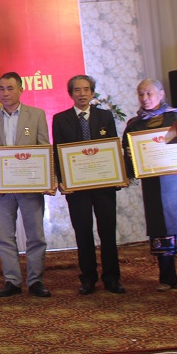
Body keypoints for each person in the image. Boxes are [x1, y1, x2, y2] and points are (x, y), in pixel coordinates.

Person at [122, 78, 177, 291]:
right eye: (141, 94)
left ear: (161, 94)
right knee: (160, 228)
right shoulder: (134, 124)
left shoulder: (176, 117)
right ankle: (167, 278)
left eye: (149, 93)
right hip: (153, 185)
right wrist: (131, 157)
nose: (145, 98)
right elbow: (129, 159)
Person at [52, 74, 125, 295]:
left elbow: (113, 147)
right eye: (77, 90)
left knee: (107, 232)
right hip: (76, 188)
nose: (82, 94)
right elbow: (57, 153)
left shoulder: (105, 117)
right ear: (70, 94)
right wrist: (62, 180)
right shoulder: (60, 119)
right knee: (83, 233)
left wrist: (118, 176)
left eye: (86, 89)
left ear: (92, 93)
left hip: (104, 185)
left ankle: (112, 278)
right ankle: (88, 278)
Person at [0, 72, 53, 298]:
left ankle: (35, 280)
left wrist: (48, 179)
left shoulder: (36, 115)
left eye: (10, 88)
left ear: (21, 90)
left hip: (31, 186)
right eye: (1, 88)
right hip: (2, 190)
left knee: (36, 236)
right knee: (4, 237)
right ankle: (12, 281)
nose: (5, 93)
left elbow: (44, 148)